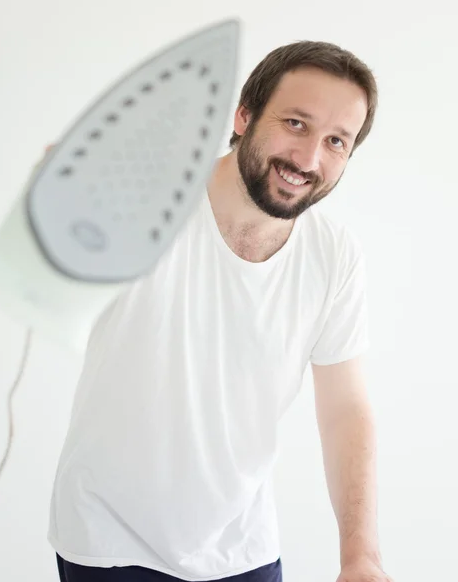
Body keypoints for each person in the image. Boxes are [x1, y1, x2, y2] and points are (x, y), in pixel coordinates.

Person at [47, 40, 394, 582]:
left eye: (336, 140)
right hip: (109, 541)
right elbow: (56, 282)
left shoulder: (334, 254)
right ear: (244, 114)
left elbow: (345, 412)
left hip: (243, 549)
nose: (309, 160)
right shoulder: (147, 199)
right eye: (296, 124)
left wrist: (361, 556)